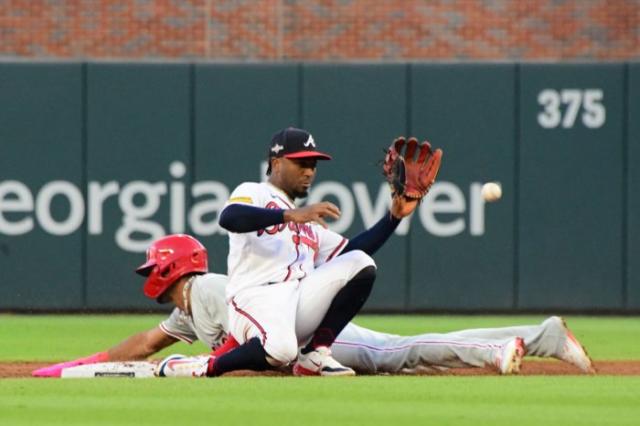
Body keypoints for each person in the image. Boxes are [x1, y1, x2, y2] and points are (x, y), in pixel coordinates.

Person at [32, 234, 594, 378]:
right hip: (296, 346)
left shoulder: (205, 289)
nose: (148, 276)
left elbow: (241, 345)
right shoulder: (187, 306)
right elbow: (146, 343)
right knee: (401, 354)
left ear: (175, 267)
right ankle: (528, 338)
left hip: (301, 340)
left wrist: (209, 367)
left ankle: (527, 339)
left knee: (399, 353)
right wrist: (85, 362)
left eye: (154, 266)